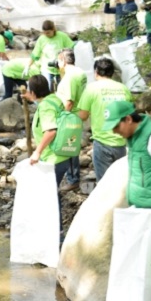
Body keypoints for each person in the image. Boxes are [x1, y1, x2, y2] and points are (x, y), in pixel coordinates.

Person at [85, 102, 151, 301]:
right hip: (140, 210)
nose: (114, 132)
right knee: (127, 265)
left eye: (116, 127)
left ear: (128, 119)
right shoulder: (132, 138)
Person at [26, 74, 72, 237]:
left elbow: (51, 130)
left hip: (53, 158)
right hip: (62, 155)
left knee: (49, 195)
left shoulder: (45, 106)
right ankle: (53, 230)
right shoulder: (54, 99)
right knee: (51, 193)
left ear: (33, 92)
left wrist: (37, 152)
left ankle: (55, 233)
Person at [77, 57, 133, 181]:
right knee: (121, 179)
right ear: (112, 73)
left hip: (102, 141)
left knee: (104, 181)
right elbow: (130, 113)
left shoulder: (91, 89)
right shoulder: (123, 89)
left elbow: (83, 115)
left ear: (96, 72)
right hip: (122, 142)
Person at [54, 48, 88, 193]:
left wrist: (62, 119)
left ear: (62, 59)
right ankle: (72, 177)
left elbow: (69, 101)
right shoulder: (79, 72)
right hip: (77, 114)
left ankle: (73, 179)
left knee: (69, 149)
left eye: (58, 59)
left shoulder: (70, 77)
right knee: (71, 148)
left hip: (70, 117)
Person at [28, 20, 74, 93]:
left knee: (62, 89)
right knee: (47, 88)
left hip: (61, 67)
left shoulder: (62, 36)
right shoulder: (41, 39)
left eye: (48, 32)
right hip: (47, 68)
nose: (47, 35)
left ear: (53, 29)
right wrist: (28, 66)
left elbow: (71, 48)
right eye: (45, 33)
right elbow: (35, 54)